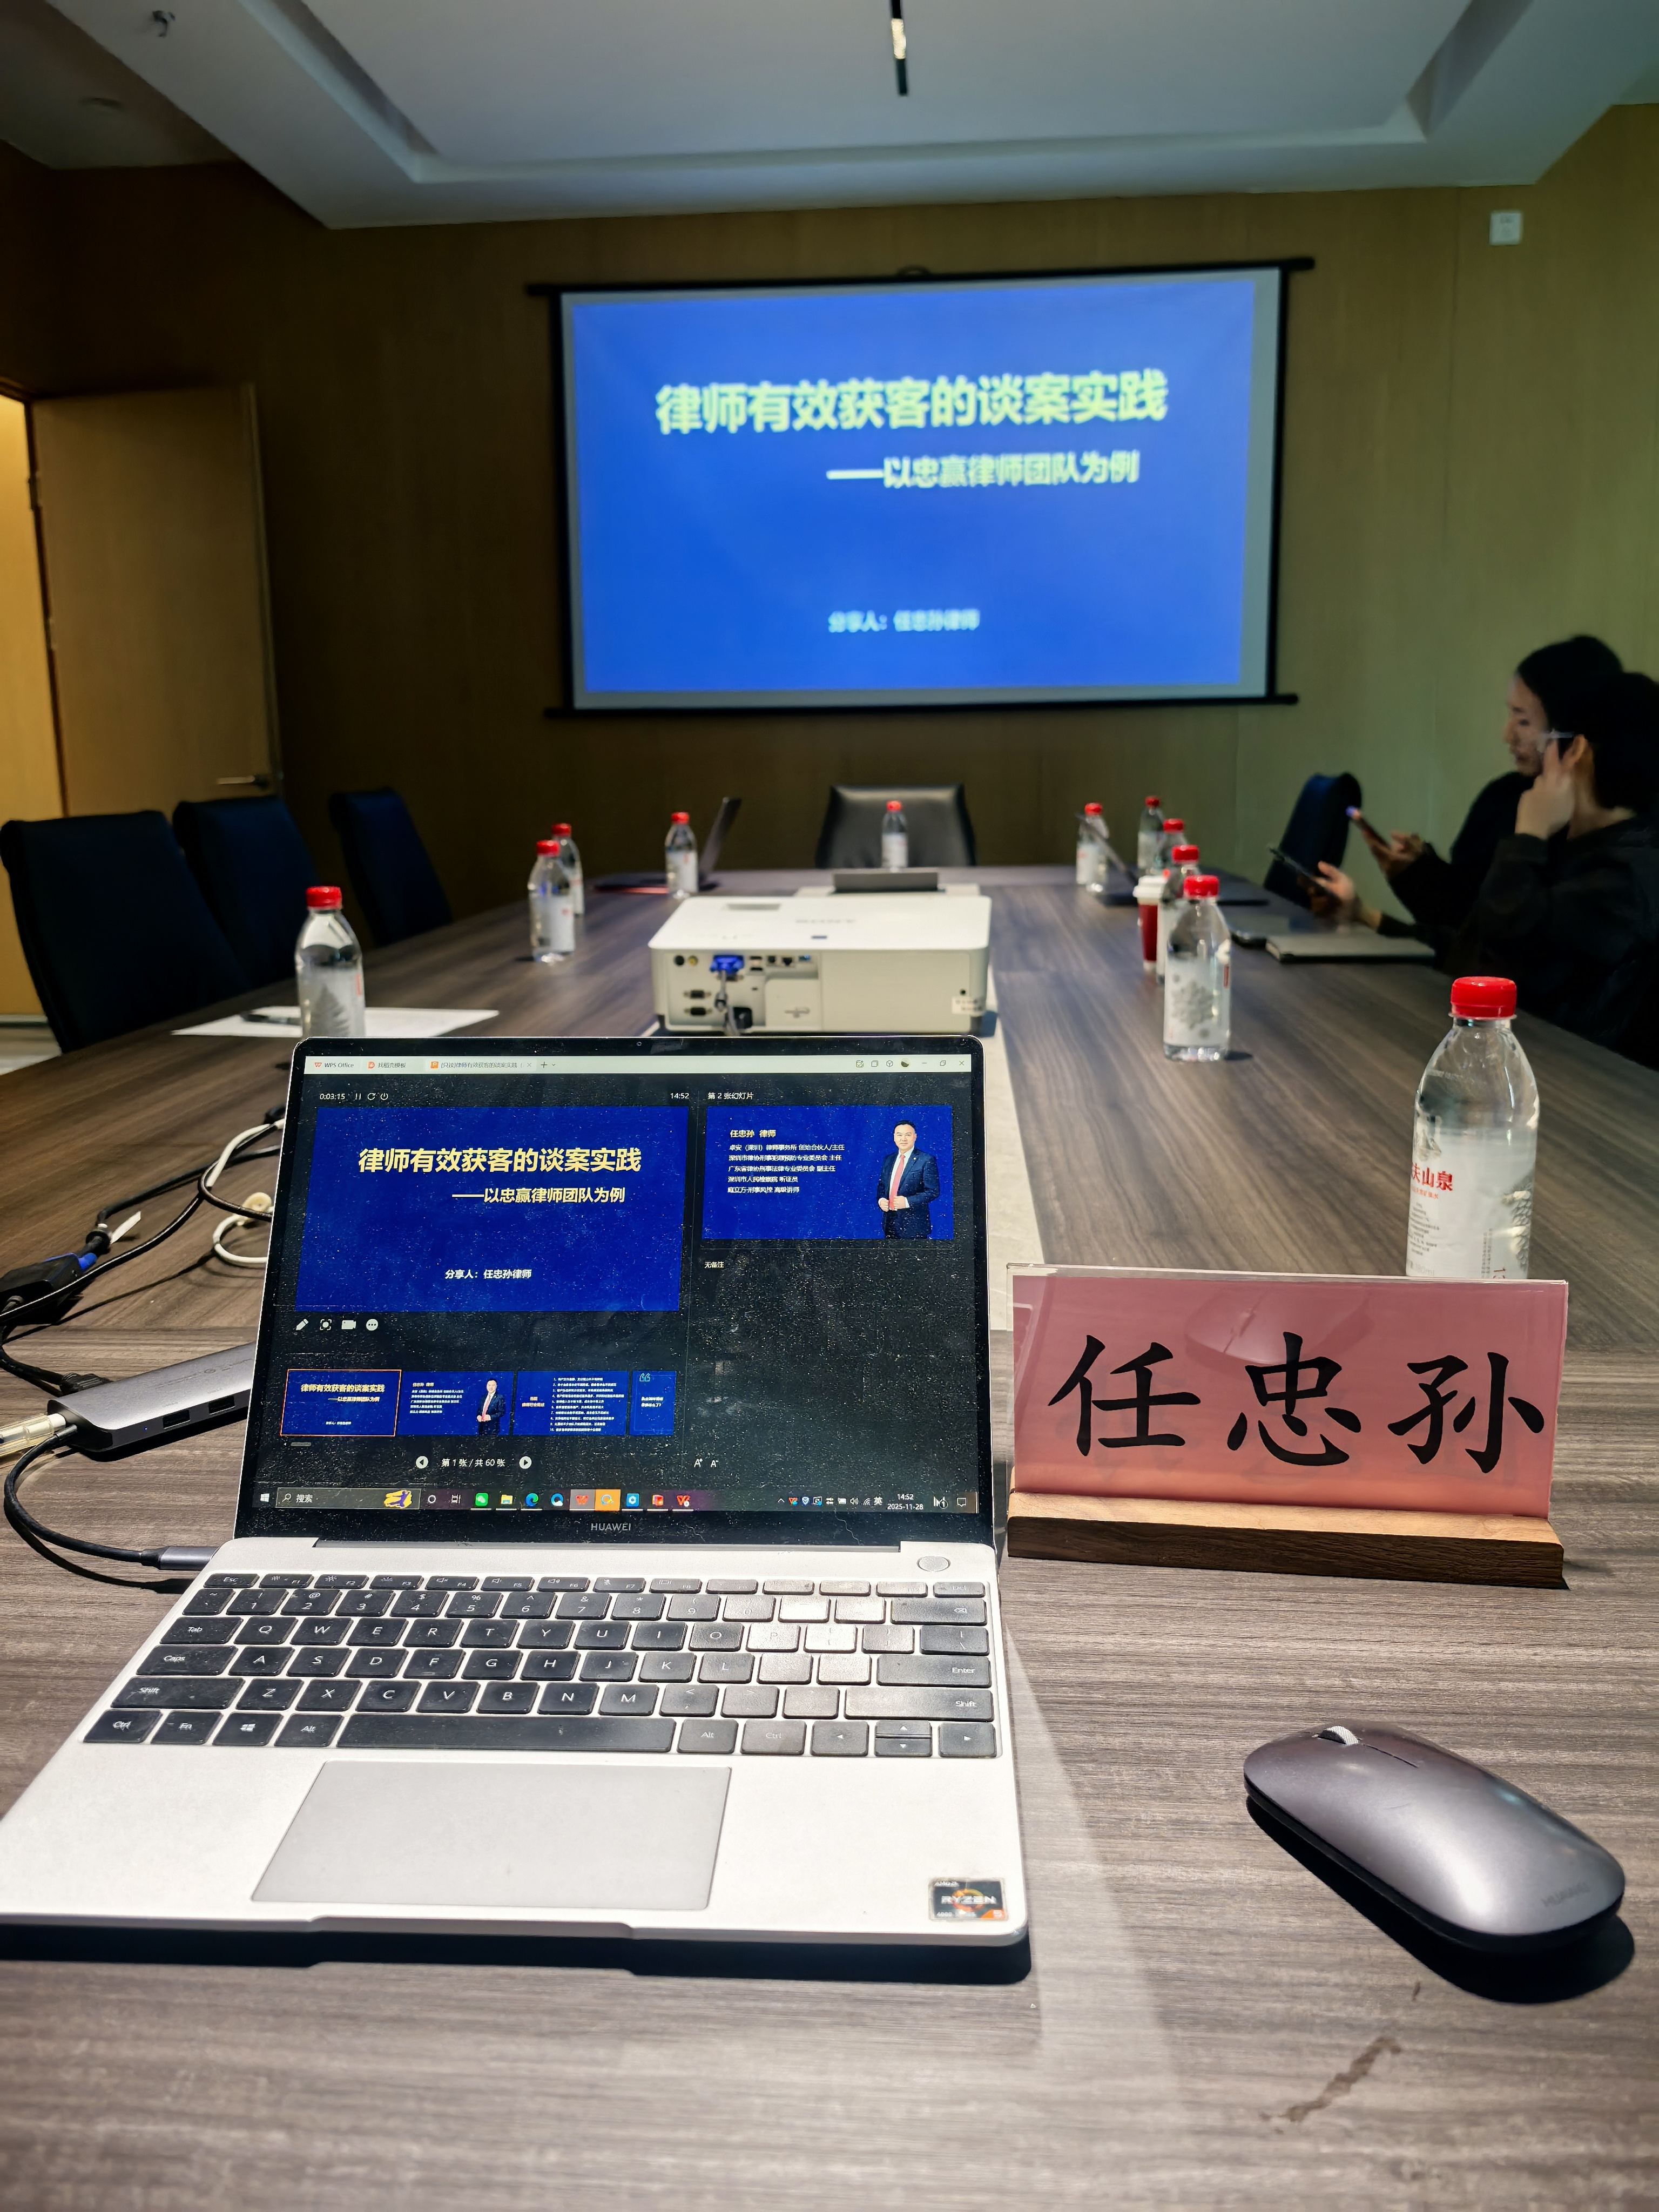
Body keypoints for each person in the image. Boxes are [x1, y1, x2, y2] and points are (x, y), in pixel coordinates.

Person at [1314, 635, 1624, 952]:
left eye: (1523, 721)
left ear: (1574, 736)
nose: (1507, 735)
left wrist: (1529, 838)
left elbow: (1506, 947)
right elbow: (1467, 927)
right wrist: (1415, 876)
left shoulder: (1602, 849)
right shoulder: (1502, 796)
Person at [1445, 673, 1659, 1052]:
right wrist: (1374, 920)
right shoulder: (1590, 849)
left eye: (1551, 742)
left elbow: (1506, 949)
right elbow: (1474, 945)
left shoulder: (1629, 876)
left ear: (1578, 751)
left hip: (1560, 1075)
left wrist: (1529, 834)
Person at [876, 1120, 939, 1241]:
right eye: (899, 1135)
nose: (903, 1139)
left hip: (914, 1228)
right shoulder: (888, 1160)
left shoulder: (926, 1160)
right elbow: (882, 1186)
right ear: (894, 1138)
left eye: (908, 1135)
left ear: (915, 1137)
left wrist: (907, 1202)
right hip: (890, 1225)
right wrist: (881, 1200)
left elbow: (933, 1191)